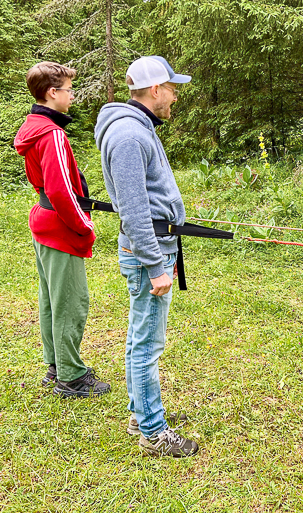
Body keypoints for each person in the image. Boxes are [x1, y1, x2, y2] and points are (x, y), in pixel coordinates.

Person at [94, 56, 198, 457]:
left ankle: (143, 413)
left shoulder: (137, 128)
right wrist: (156, 266)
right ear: (155, 89)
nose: (174, 96)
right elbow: (135, 211)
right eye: (172, 88)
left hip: (154, 247)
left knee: (142, 339)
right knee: (146, 344)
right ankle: (153, 431)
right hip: (147, 253)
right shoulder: (129, 136)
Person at [14, 62, 111, 398]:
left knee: (52, 299)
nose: (72, 96)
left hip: (43, 221)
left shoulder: (34, 125)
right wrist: (84, 225)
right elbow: (60, 189)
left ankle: (57, 365)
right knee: (70, 301)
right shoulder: (52, 133)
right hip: (58, 225)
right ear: (52, 92)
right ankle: (71, 377)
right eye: (69, 90)